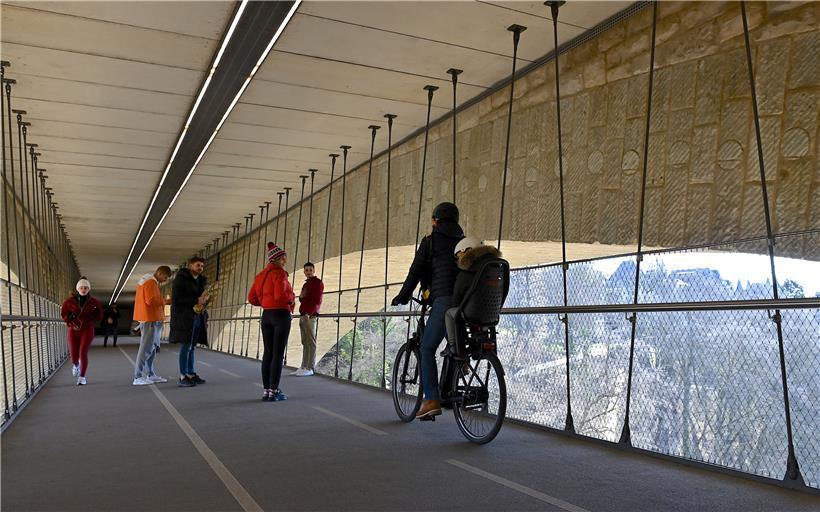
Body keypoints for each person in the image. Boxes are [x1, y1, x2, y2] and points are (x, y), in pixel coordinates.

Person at [391, 202, 464, 420]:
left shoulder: (430, 241)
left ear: (435, 221)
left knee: (427, 348)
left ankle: (432, 399)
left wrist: (402, 296)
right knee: (456, 346)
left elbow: (415, 272)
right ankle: (463, 364)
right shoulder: (464, 242)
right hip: (467, 303)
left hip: (444, 300)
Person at [249, 242, 295, 401]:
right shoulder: (280, 274)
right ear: (275, 259)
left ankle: (266, 391)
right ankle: (275, 391)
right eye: (283, 258)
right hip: (281, 314)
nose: (285, 261)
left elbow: (252, 298)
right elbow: (280, 296)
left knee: (268, 353)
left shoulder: (260, 275)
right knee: (278, 354)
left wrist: (265, 303)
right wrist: (291, 299)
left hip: (266, 315)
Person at [444, 237, 505, 356]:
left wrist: (454, 306)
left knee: (450, 313)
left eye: (459, 255)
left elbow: (457, 298)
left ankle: (454, 347)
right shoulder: (497, 268)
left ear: (468, 250)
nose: (458, 260)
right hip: (493, 312)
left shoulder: (467, 272)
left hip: (472, 312)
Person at [169, 256, 209, 387]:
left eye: (202, 266)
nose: (200, 268)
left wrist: (205, 302)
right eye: (198, 265)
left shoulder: (201, 281)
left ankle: (191, 374)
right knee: (185, 346)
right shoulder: (181, 279)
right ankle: (182, 376)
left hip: (197, 316)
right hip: (184, 317)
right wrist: (196, 300)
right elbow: (177, 300)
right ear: (191, 265)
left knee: (192, 347)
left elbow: (200, 298)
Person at [132, 266, 172, 385]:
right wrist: (165, 301)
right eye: (165, 277)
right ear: (159, 273)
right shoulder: (150, 282)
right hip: (149, 319)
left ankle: (150, 374)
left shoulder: (147, 281)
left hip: (151, 318)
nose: (165, 280)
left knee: (152, 348)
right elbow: (151, 300)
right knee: (146, 349)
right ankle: (137, 377)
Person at [60, 277, 103, 385]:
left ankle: (82, 377)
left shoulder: (94, 302)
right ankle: (76, 365)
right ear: (78, 289)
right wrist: (69, 320)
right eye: (81, 287)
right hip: (73, 330)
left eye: (86, 288)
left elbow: (100, 314)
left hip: (87, 329)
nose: (83, 289)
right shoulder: (69, 301)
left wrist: (92, 318)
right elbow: (64, 313)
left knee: (83, 352)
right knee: (74, 355)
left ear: (89, 289)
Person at [293, 261, 323, 377]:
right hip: (303, 314)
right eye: (307, 270)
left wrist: (310, 313)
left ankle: (310, 367)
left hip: (309, 315)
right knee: (304, 341)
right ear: (304, 272)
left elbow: (317, 300)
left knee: (311, 342)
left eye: (311, 270)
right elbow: (302, 298)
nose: (309, 272)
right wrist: (300, 297)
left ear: (314, 271)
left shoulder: (317, 283)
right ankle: (303, 366)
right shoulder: (306, 284)